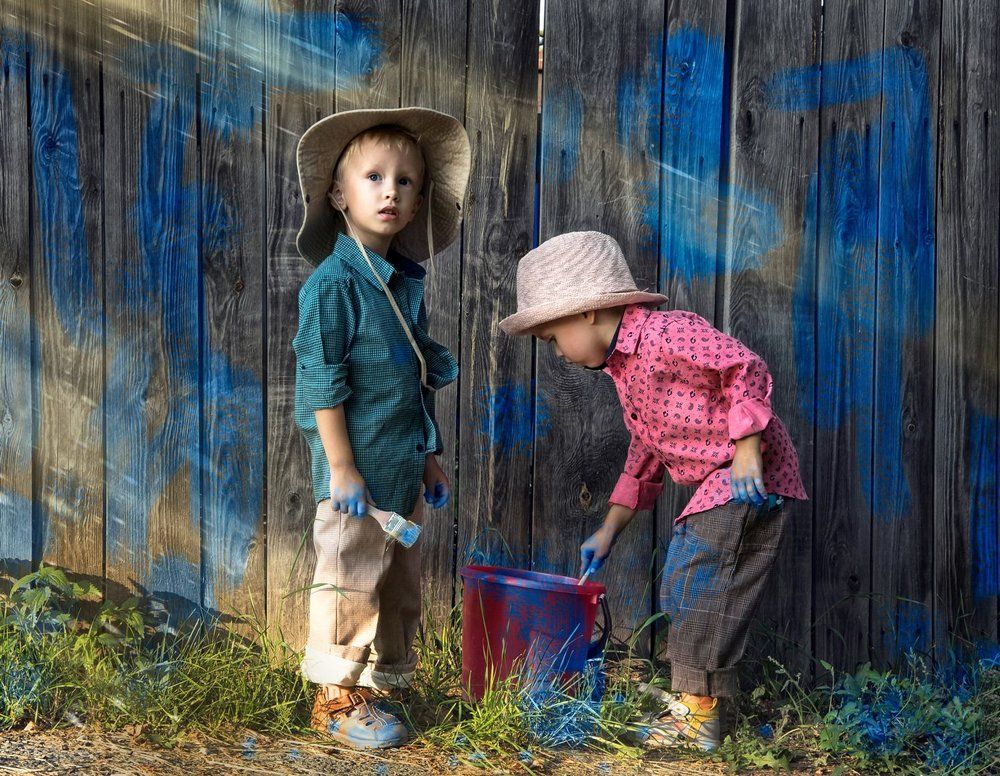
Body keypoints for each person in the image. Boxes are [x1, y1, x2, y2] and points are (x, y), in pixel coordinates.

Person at [499, 231, 808, 751]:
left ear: (587, 313)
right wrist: (608, 530)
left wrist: (747, 446)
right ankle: (701, 705)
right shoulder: (626, 370)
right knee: (694, 583)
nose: (556, 353)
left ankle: (699, 715)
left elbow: (744, 366)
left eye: (552, 338)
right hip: (719, 481)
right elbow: (645, 452)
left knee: (695, 581)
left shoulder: (667, 334)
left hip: (745, 475)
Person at [291, 107, 470, 749]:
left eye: (405, 181)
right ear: (339, 196)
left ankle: (380, 685)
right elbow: (321, 382)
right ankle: (335, 697)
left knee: (395, 581)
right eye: (373, 177)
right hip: (356, 476)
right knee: (349, 575)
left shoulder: (398, 289)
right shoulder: (333, 286)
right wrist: (340, 466)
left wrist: (429, 457)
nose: (389, 191)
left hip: (399, 467)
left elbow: (411, 381)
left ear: (418, 203)